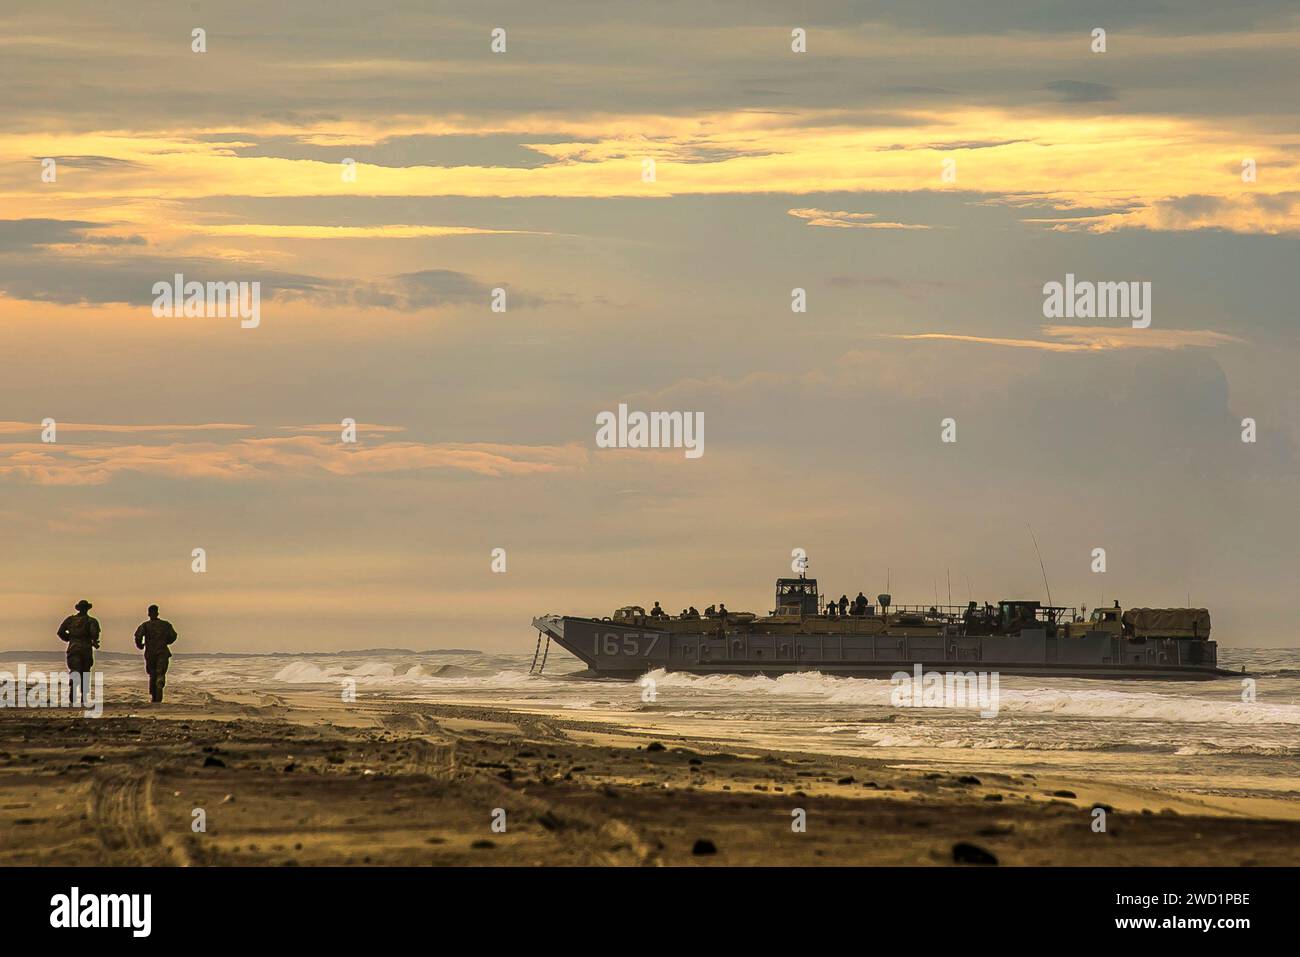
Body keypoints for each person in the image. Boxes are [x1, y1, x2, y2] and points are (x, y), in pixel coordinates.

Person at [57, 599, 100, 707]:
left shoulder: (70, 620)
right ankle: (83, 697)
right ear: (87, 609)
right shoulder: (92, 621)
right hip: (86, 649)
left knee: (74, 671)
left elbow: (60, 632)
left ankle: (72, 693)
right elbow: (95, 635)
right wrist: (93, 641)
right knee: (85, 672)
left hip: (73, 649)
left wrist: (70, 639)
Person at [134, 604, 178, 703]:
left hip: (150, 653)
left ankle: (154, 696)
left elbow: (138, 636)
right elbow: (173, 636)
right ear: (157, 613)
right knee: (160, 672)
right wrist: (166, 641)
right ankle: (159, 685)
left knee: (152, 674)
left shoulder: (145, 625)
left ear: (149, 614)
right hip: (162, 652)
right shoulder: (166, 625)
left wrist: (140, 645)